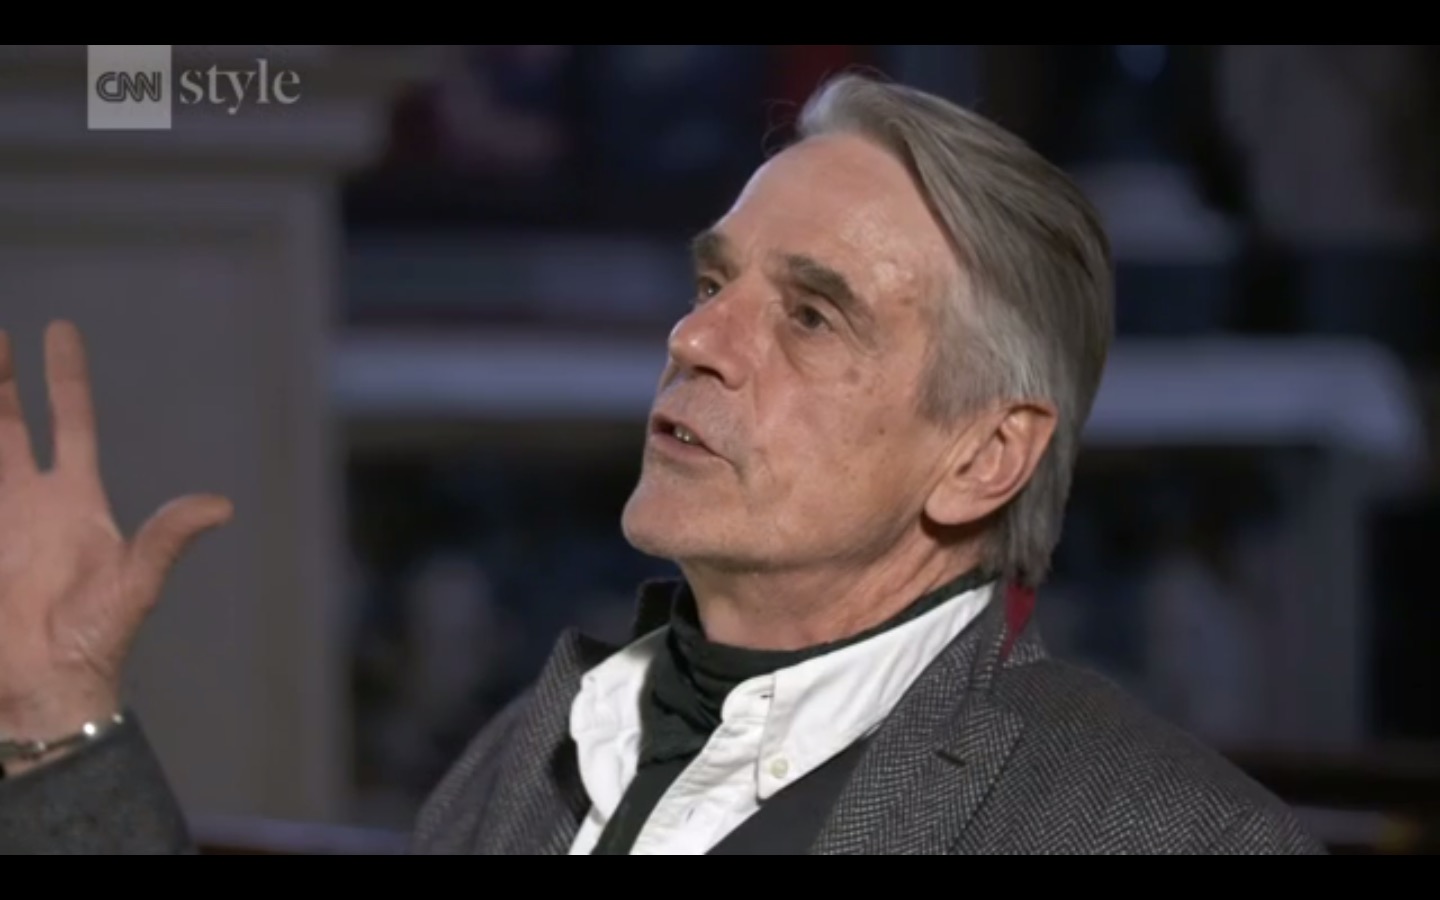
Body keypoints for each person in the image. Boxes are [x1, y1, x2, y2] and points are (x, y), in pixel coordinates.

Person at [0, 73, 1323, 855]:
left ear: (983, 457)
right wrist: (62, 718)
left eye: (813, 316)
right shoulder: (539, 746)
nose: (696, 340)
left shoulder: (1163, 836)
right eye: (711, 285)